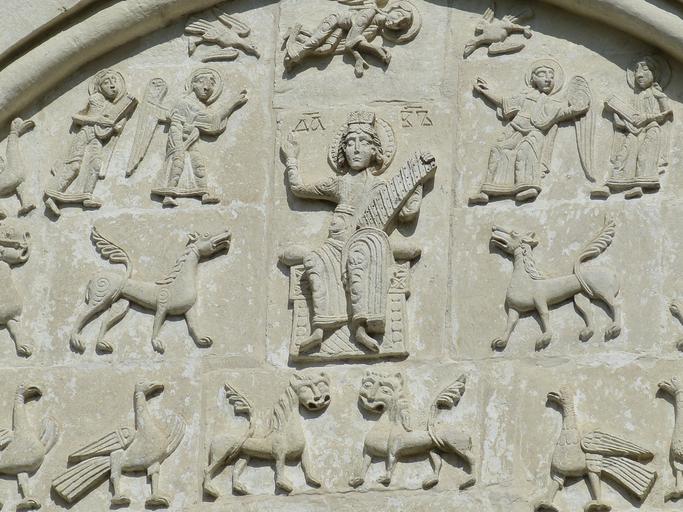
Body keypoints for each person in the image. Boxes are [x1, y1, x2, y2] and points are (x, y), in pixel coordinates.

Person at [281, 111, 422, 353]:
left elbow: (406, 214)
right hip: (336, 244)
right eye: (350, 143)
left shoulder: (381, 187)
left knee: (358, 258)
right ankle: (320, 329)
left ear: (375, 150)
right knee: (314, 260)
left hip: (365, 243)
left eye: (364, 142)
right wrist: (292, 159)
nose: (356, 149)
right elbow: (299, 189)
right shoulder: (338, 183)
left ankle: (361, 328)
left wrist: (415, 187)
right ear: (343, 150)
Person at [469, 60, 589, 204]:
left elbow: (564, 112)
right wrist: (486, 91)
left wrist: (578, 107)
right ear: (533, 79)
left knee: (525, 150)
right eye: (543, 74)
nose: (548, 79)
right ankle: (489, 189)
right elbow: (504, 102)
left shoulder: (551, 103)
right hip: (515, 130)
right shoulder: (525, 97)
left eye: (551, 76)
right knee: (498, 149)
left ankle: (527, 187)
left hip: (534, 134)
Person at [45, 69, 135, 215]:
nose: (112, 85)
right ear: (99, 87)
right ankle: (52, 195)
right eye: (107, 82)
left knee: (96, 164)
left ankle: (87, 195)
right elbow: (76, 117)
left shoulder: (112, 107)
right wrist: (97, 120)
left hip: (97, 137)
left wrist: (117, 124)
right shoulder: (96, 99)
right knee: (74, 166)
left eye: (114, 81)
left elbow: (112, 127)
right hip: (85, 134)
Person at [156, 67, 247, 206]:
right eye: (202, 83)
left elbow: (211, 121)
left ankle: (203, 193)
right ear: (193, 84)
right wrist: (179, 141)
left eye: (211, 85)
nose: (207, 88)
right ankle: (168, 194)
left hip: (192, 137)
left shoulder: (200, 106)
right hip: (178, 135)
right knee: (178, 161)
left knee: (198, 163)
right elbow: (176, 122)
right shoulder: (184, 102)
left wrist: (232, 104)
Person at [593, 56, 673, 199]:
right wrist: (619, 116)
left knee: (644, 156)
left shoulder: (657, 94)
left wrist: (647, 116)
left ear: (654, 73)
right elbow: (629, 116)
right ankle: (610, 184)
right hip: (634, 131)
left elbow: (666, 113)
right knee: (623, 156)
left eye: (645, 70)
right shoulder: (634, 97)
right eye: (636, 71)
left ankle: (639, 185)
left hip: (651, 129)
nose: (639, 75)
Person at [283, 0, 415, 77]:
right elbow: (352, 41)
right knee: (316, 40)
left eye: (401, 25)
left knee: (325, 49)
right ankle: (295, 56)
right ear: (392, 9)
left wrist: (368, 53)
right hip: (335, 20)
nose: (396, 22)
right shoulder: (368, 14)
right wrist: (378, 51)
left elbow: (353, 43)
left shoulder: (374, 29)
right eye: (398, 15)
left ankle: (297, 34)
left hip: (341, 29)